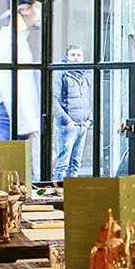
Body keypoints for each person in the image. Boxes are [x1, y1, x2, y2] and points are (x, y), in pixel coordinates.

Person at [0, 0, 42, 143]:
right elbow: (16, 89)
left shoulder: (11, 40)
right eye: (37, 7)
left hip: (8, 120)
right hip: (8, 122)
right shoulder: (10, 42)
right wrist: (31, 130)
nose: (40, 13)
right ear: (25, 9)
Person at [54, 44, 92, 181]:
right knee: (63, 164)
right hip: (68, 126)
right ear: (67, 57)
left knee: (76, 163)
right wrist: (67, 121)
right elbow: (53, 100)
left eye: (79, 55)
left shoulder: (83, 74)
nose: (76, 58)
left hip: (82, 125)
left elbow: (87, 99)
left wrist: (90, 119)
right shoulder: (60, 72)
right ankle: (59, 195)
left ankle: (72, 195)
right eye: (73, 55)